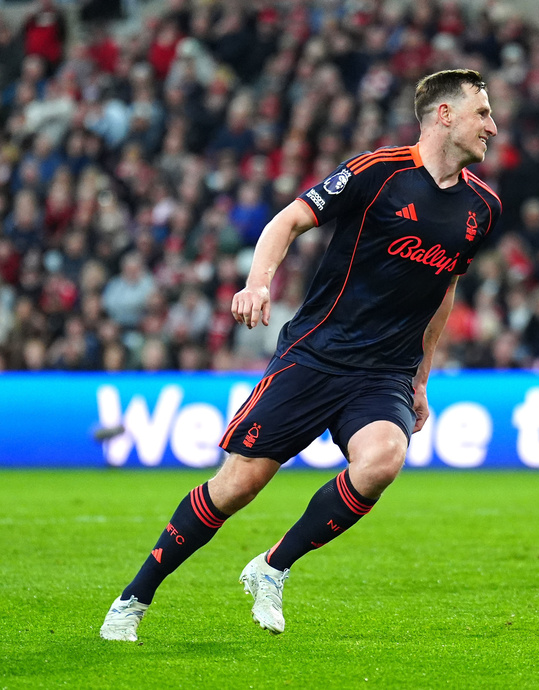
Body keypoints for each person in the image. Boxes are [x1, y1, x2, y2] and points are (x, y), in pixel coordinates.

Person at [101, 69, 502, 641]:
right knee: (236, 486)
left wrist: (421, 376)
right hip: (316, 355)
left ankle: (272, 566)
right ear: (445, 115)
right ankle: (134, 597)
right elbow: (287, 220)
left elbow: (444, 290)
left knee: (383, 460)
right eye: (482, 113)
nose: (492, 124)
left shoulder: (481, 207)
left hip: (384, 372)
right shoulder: (377, 172)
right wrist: (258, 283)